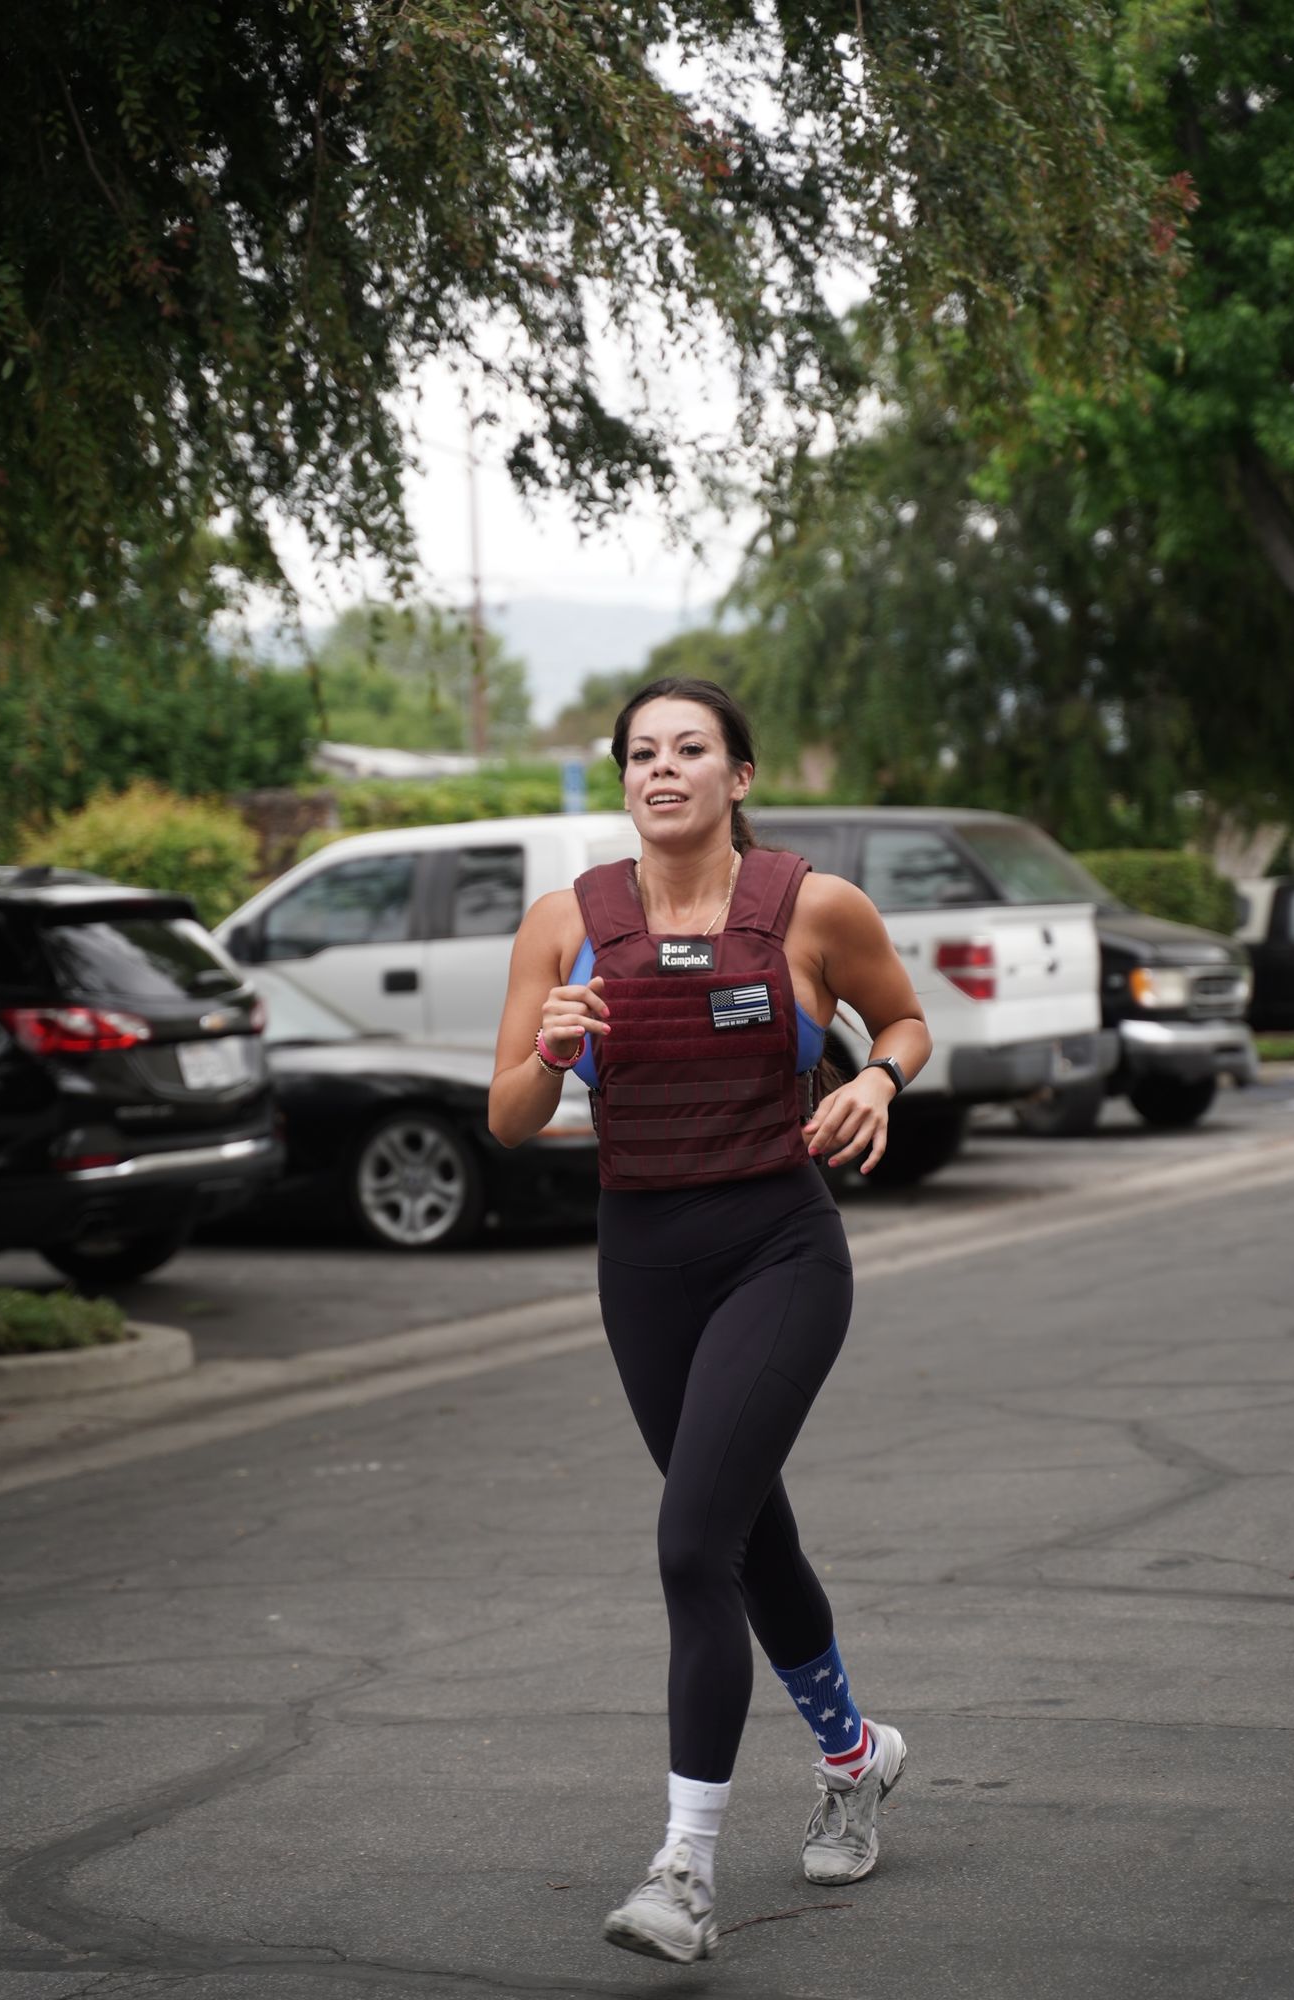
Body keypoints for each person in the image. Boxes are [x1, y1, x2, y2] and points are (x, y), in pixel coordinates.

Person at [489, 678, 932, 1964]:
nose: (660, 769)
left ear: (739, 774)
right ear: (622, 776)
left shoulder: (811, 907)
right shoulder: (563, 922)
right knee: (745, 1533)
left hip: (778, 1245)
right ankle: (857, 1753)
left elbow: (901, 1017)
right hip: (641, 1259)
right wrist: (552, 1050)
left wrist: (881, 1083)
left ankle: (682, 1867)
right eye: (640, 752)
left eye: (690, 750)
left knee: (693, 1541)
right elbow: (509, 1118)